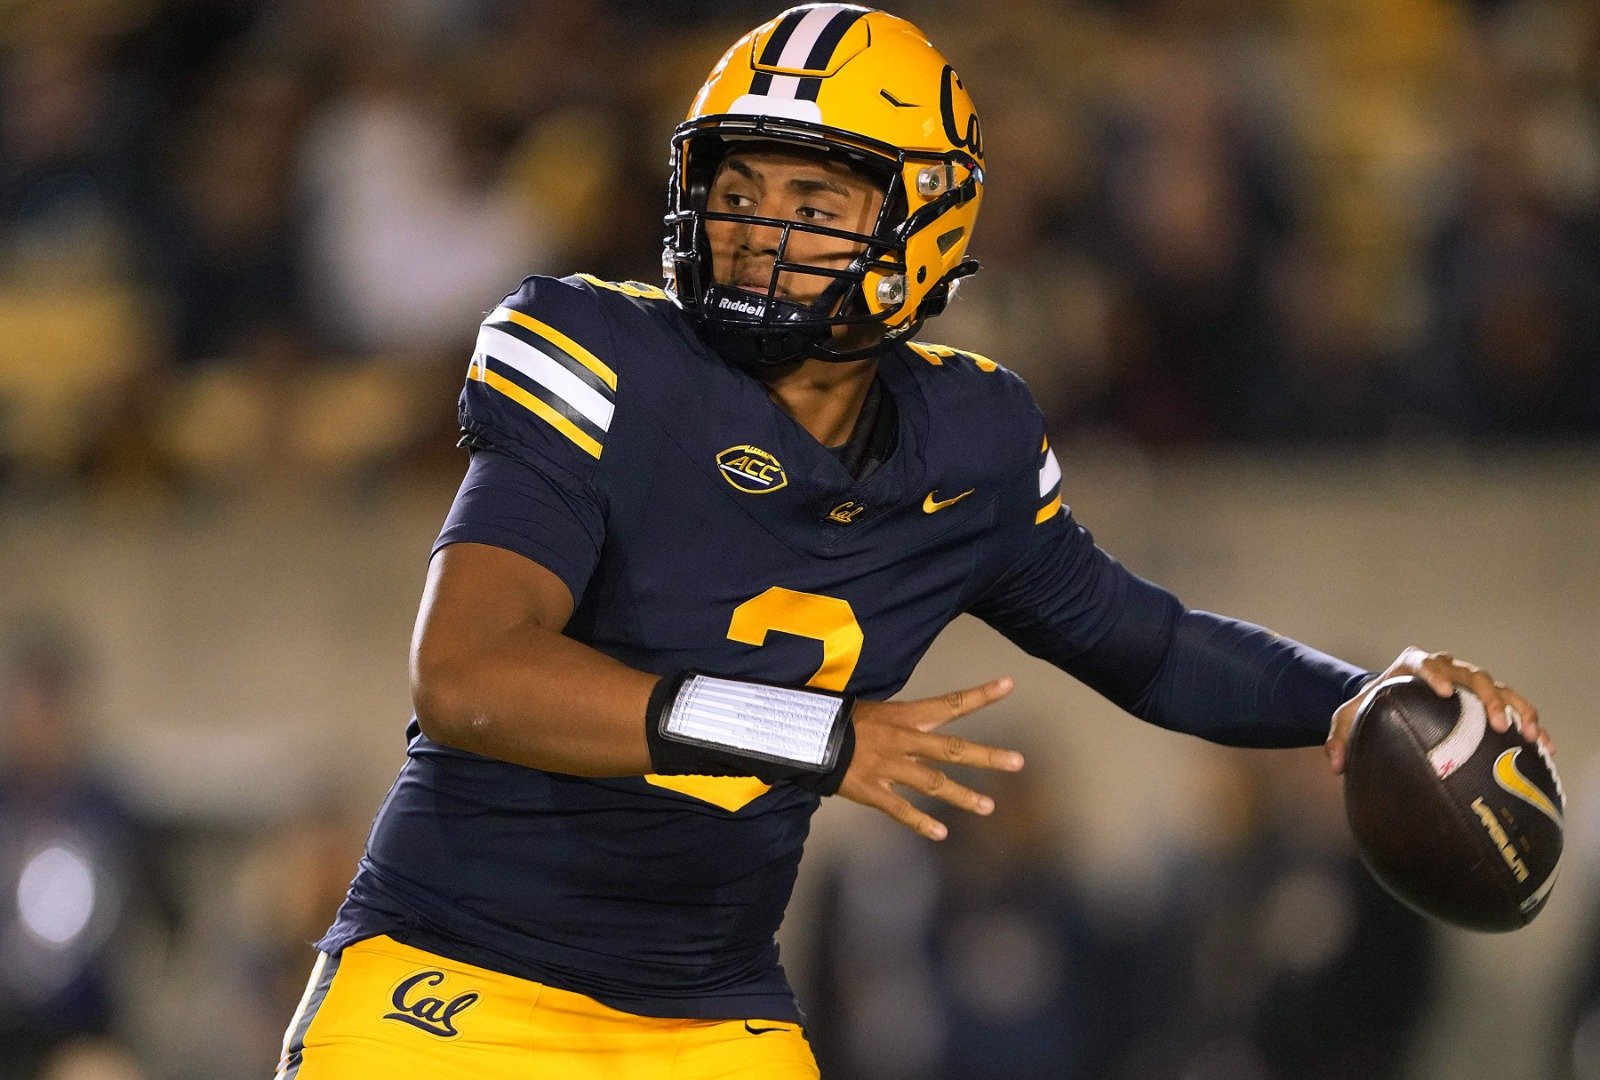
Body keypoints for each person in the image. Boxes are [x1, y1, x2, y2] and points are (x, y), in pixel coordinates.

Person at [276, 7, 1552, 1079]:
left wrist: (1369, 698)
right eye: (736, 188)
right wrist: (811, 734)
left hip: (706, 1018)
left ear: (920, 220)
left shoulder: (967, 440)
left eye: (812, 197)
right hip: (453, 986)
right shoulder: (600, 355)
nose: (756, 227)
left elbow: (1150, 645)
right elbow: (470, 678)